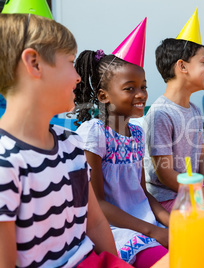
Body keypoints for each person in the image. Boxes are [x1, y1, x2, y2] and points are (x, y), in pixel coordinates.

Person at [0, 13, 129, 267]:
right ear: (34, 63)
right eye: (70, 62)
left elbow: (96, 222)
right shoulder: (6, 163)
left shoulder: (71, 144)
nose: (78, 76)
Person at [72, 40, 169, 266]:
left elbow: (142, 193)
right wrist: (154, 232)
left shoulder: (136, 133)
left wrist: (171, 223)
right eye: (129, 88)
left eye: (143, 86)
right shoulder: (94, 134)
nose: (141, 94)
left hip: (147, 224)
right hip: (115, 231)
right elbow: (96, 204)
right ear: (104, 95)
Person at [144, 10, 204, 217]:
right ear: (182, 66)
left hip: (198, 192)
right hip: (172, 198)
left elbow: (203, 158)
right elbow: (166, 175)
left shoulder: (195, 111)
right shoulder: (160, 114)